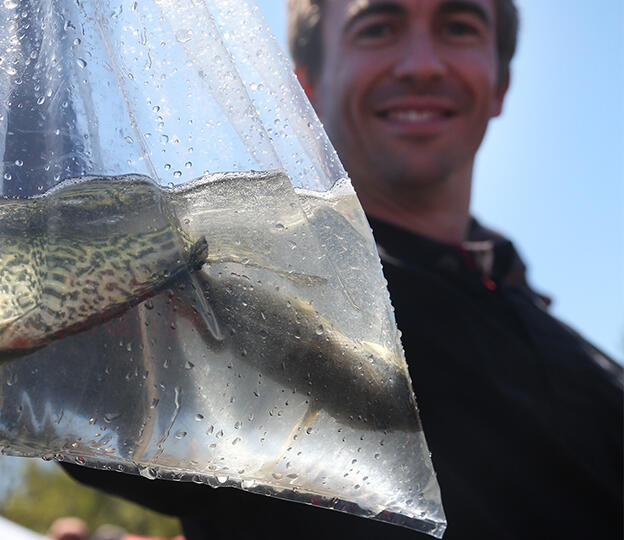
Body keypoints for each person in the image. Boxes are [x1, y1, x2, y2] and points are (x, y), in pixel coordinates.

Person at [64, 1, 624, 538]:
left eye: (459, 26)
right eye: (378, 27)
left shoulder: (589, 363)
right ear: (304, 84)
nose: (423, 64)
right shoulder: (217, 299)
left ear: (500, 84)